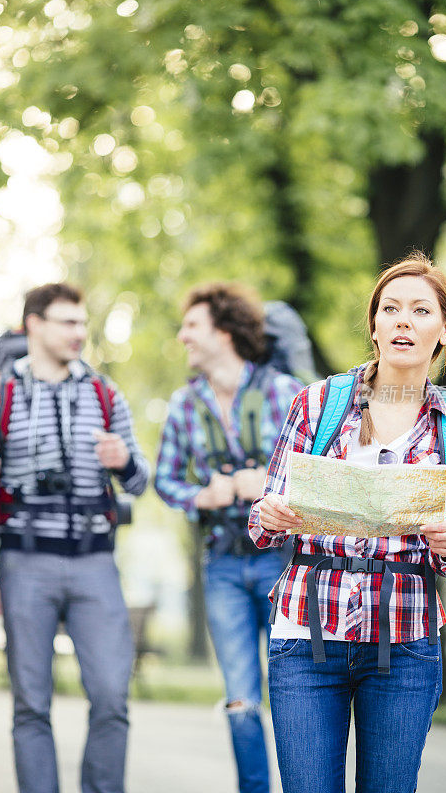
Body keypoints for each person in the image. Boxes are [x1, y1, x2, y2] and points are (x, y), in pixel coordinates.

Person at [249, 252, 446, 793]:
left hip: (404, 643)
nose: (404, 320)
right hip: (306, 635)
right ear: (374, 326)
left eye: (421, 311)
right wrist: (270, 513)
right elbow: (263, 525)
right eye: (391, 308)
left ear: (443, 332)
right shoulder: (317, 404)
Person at [0, 283, 149, 793]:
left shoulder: (105, 393)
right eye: (67, 322)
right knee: (31, 703)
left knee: (111, 698)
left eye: (82, 322)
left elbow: (142, 482)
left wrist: (125, 462)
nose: (80, 332)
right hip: (22, 564)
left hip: (95, 563)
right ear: (34, 324)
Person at [155, 283, 302, 793]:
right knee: (241, 702)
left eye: (191, 326)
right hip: (221, 564)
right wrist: (203, 497)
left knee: (294, 694)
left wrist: (271, 484)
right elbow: (166, 480)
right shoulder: (183, 404)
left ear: (223, 331)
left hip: (283, 562)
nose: (182, 337)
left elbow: (318, 472)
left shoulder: (284, 392)